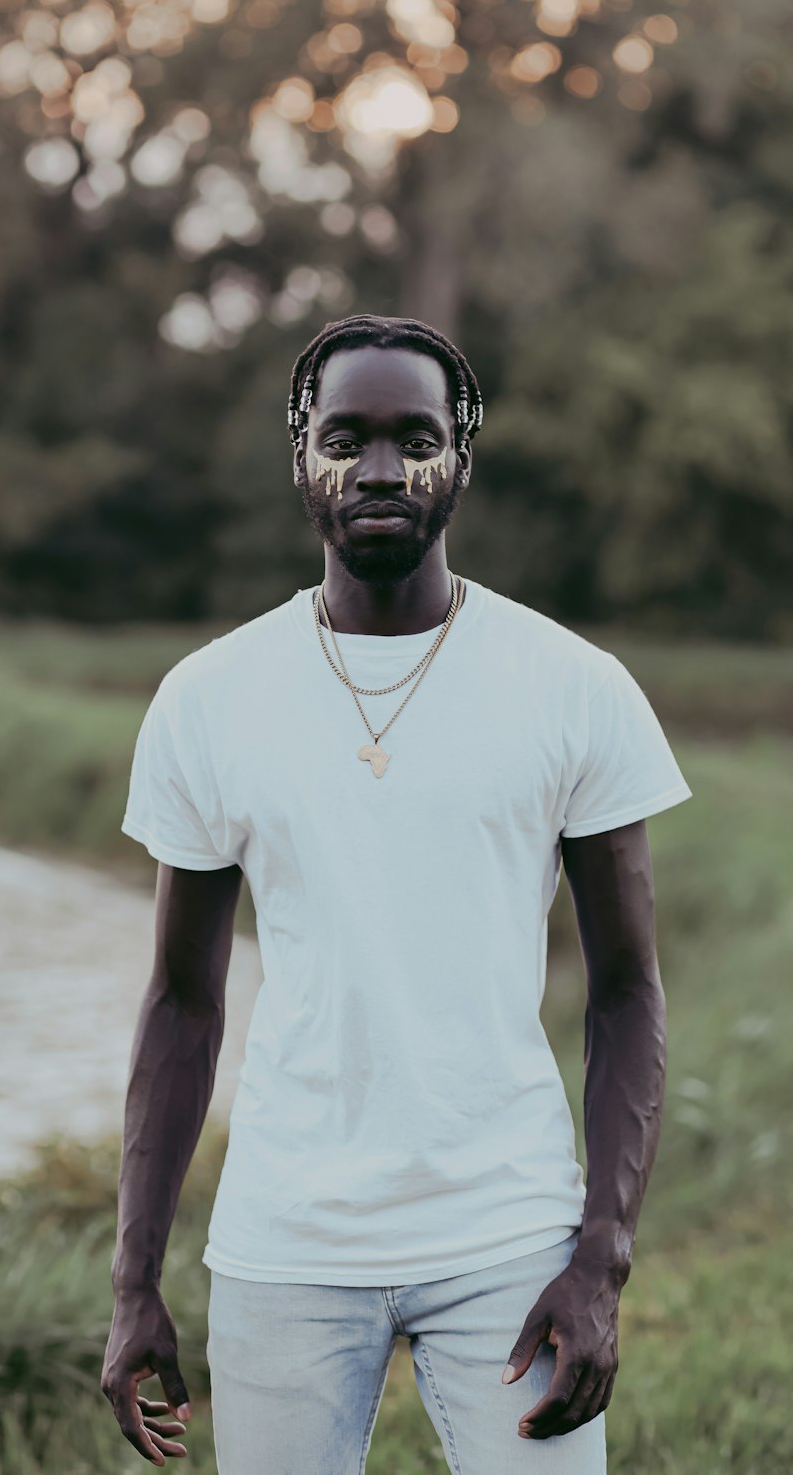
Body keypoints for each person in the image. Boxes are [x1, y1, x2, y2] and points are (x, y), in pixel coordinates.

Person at [101, 313, 693, 1472]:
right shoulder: (208, 700)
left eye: (414, 437)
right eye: (346, 437)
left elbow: (627, 994)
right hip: (286, 1241)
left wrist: (600, 1255)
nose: (379, 469)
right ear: (299, 454)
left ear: (461, 458)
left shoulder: (574, 687)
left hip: (510, 1237)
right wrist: (134, 1281)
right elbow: (181, 1006)